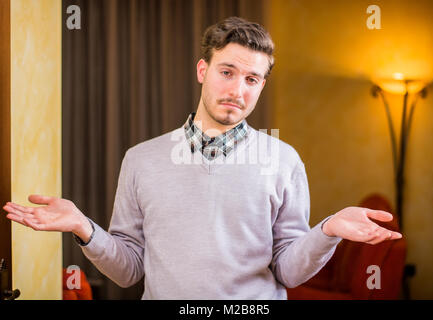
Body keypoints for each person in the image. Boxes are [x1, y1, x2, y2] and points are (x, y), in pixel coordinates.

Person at [2, 17, 401, 299]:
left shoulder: (284, 161)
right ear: (202, 70)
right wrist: (82, 227)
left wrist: (328, 230)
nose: (238, 90)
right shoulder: (141, 159)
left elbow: (288, 271)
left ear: (261, 85)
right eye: (227, 72)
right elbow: (128, 271)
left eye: (252, 79)